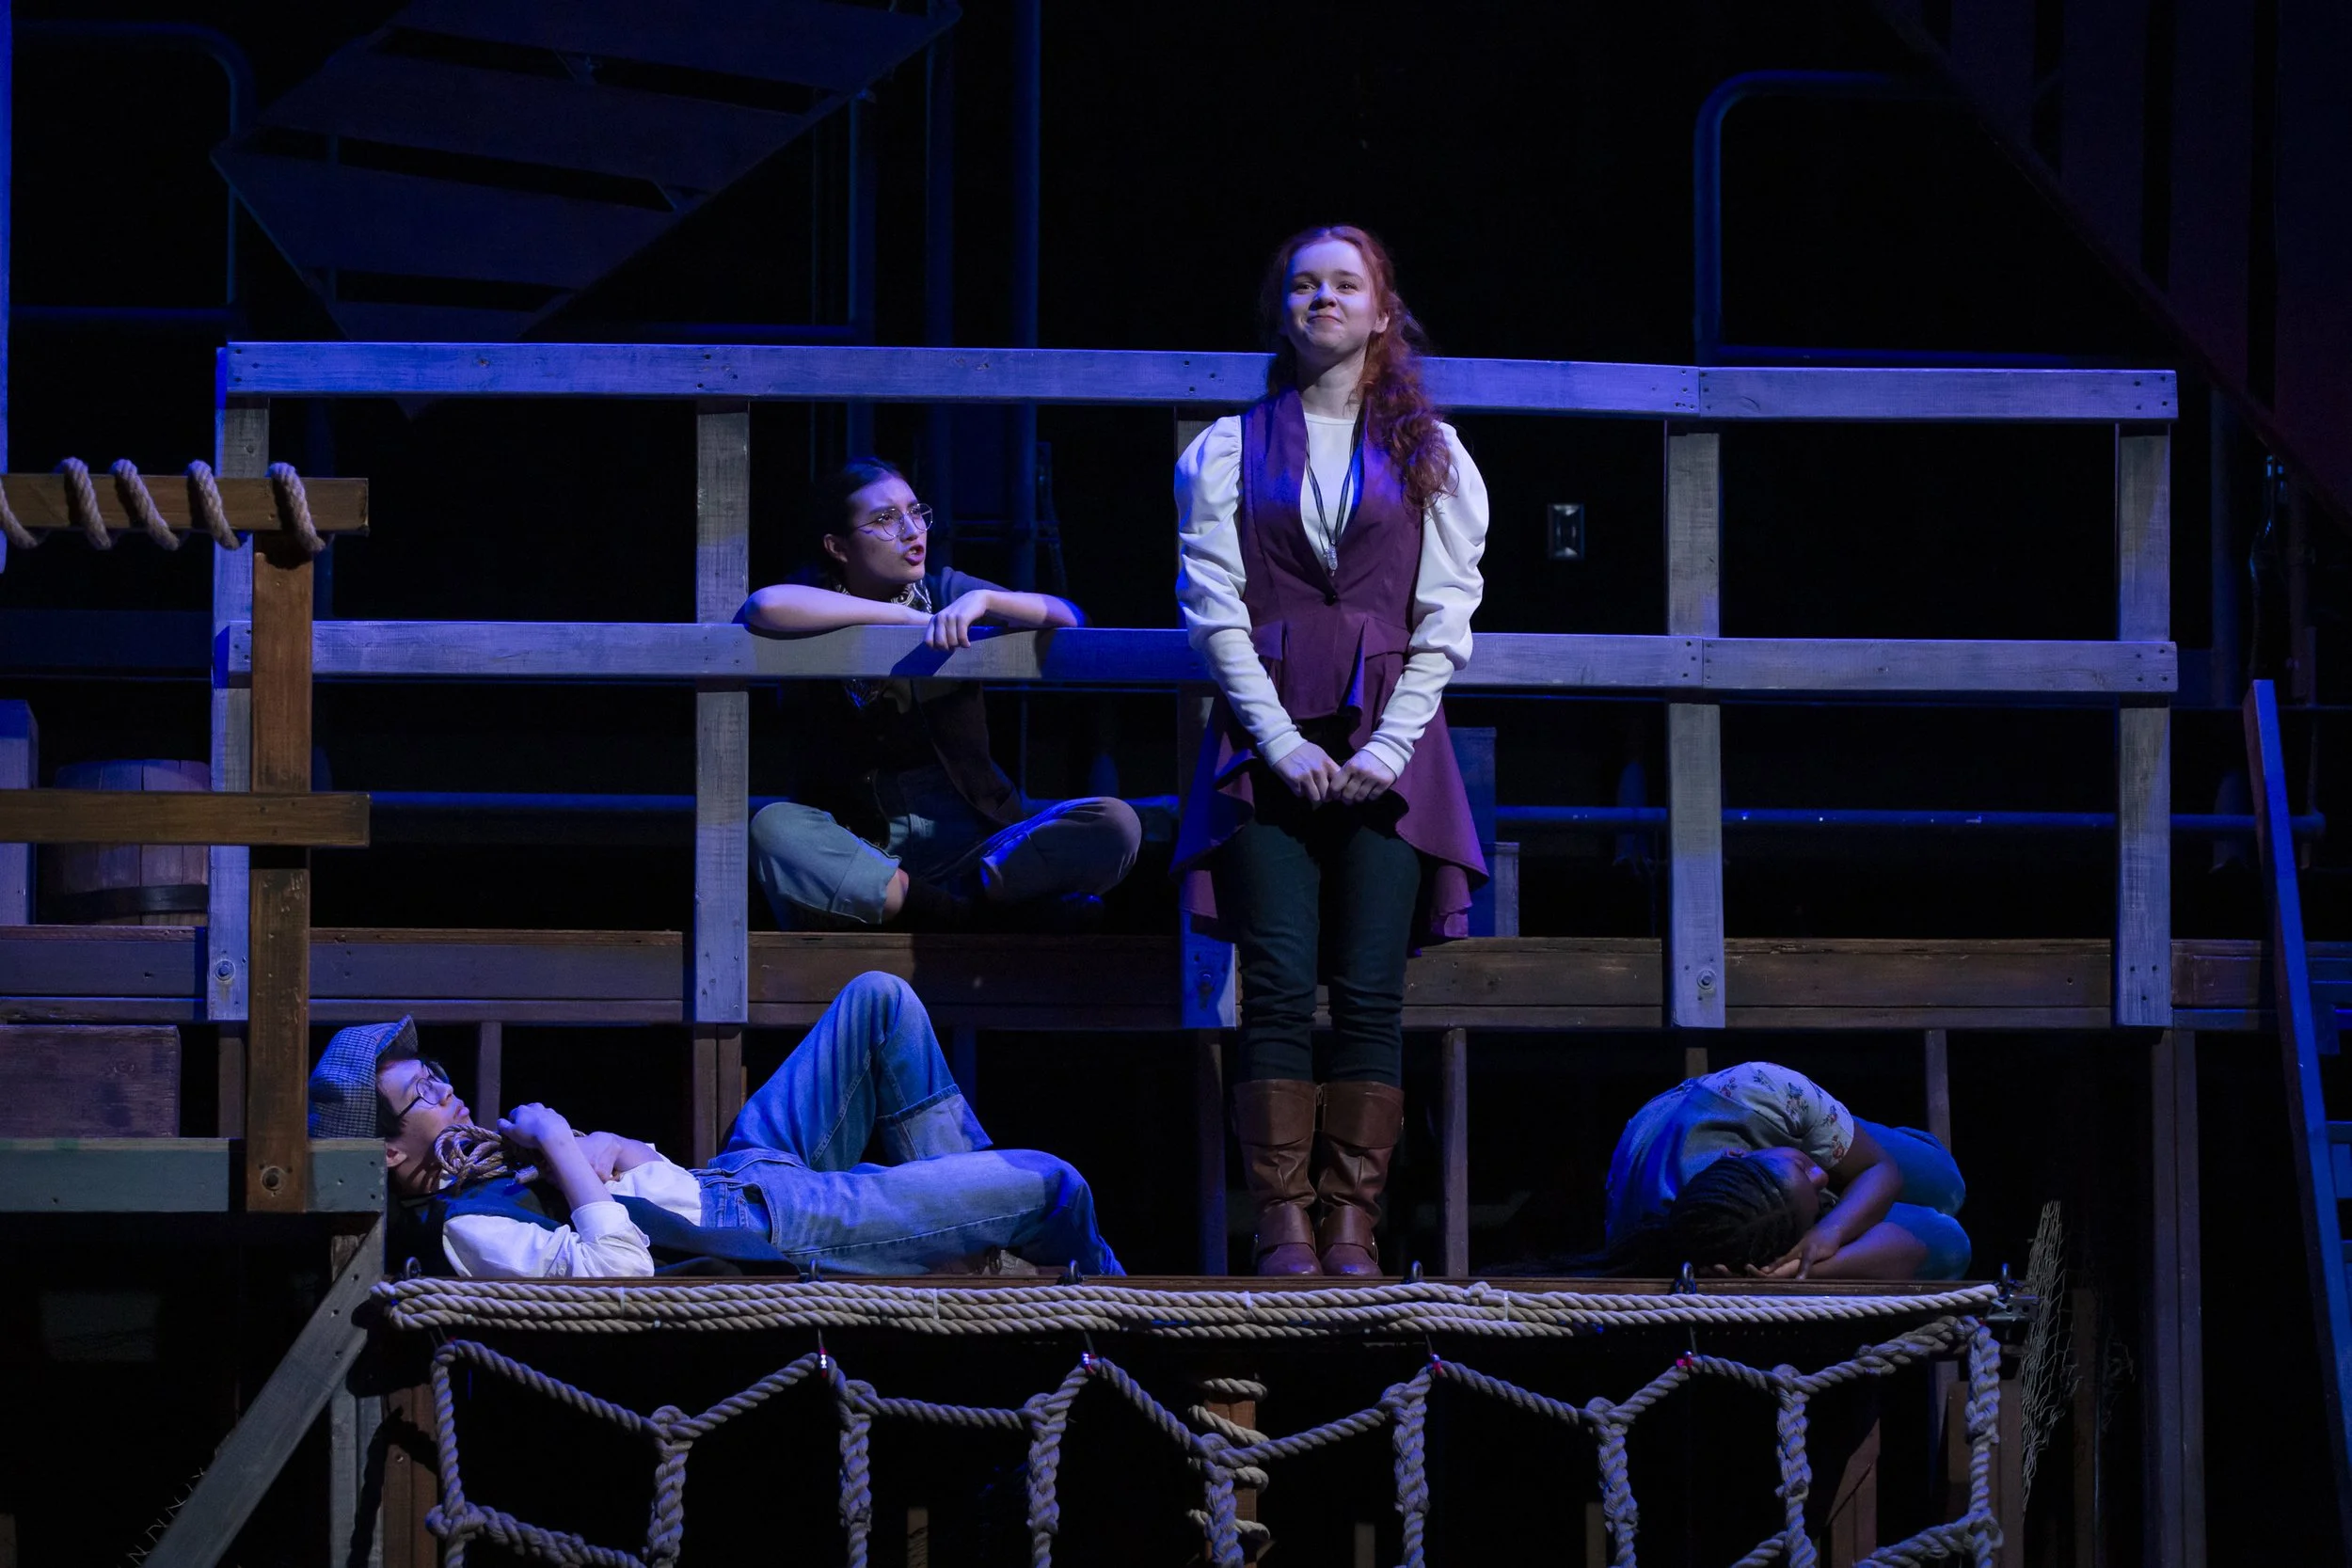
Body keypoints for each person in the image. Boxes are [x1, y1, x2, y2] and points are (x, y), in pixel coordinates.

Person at [1172, 225, 1489, 1277]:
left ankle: (1351, 1222)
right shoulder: (1225, 449)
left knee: (1367, 988)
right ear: (1282, 312)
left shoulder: (1429, 452)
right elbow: (1215, 613)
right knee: (1271, 983)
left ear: (1380, 312)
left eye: (1344, 284)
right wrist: (1274, 742)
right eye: (1304, 285)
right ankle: (1283, 1227)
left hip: (1390, 748)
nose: (1323, 299)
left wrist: (1390, 748)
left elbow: (1445, 618)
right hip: (1267, 746)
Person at [307, 972, 1124, 1279]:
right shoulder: (466, 1232)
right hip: (772, 1226)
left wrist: (605, 1151)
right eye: (426, 1092)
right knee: (1055, 1184)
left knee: (880, 998)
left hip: (736, 1175)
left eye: (442, 1076)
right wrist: (561, 1140)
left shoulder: (492, 1173)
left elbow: (637, 1184)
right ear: (385, 1147)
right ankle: (1115, 1305)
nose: (449, 1095)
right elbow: (618, 1267)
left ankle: (987, 1258)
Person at [737, 458, 1141, 931]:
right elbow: (765, 606)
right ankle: (962, 913)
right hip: (867, 853)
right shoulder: (818, 598)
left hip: (978, 849)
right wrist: (907, 622)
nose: (912, 531)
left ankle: (955, 900)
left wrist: (986, 601)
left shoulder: (945, 590)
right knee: (773, 827)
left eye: (915, 512)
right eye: (886, 519)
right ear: (838, 547)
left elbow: (1070, 616)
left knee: (1116, 824)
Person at [1597, 1060, 1970, 1280]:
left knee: (1947, 1188)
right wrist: (1808, 1268)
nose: (1822, 1175)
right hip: (1772, 1198)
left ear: (1736, 1155)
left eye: (1803, 1166)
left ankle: (1825, 1158)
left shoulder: (1766, 1090)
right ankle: (1807, 1193)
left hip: (1786, 1123)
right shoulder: (1700, 1241)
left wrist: (1831, 1229)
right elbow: (1918, 1248)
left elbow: (1881, 1168)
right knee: (1950, 1242)